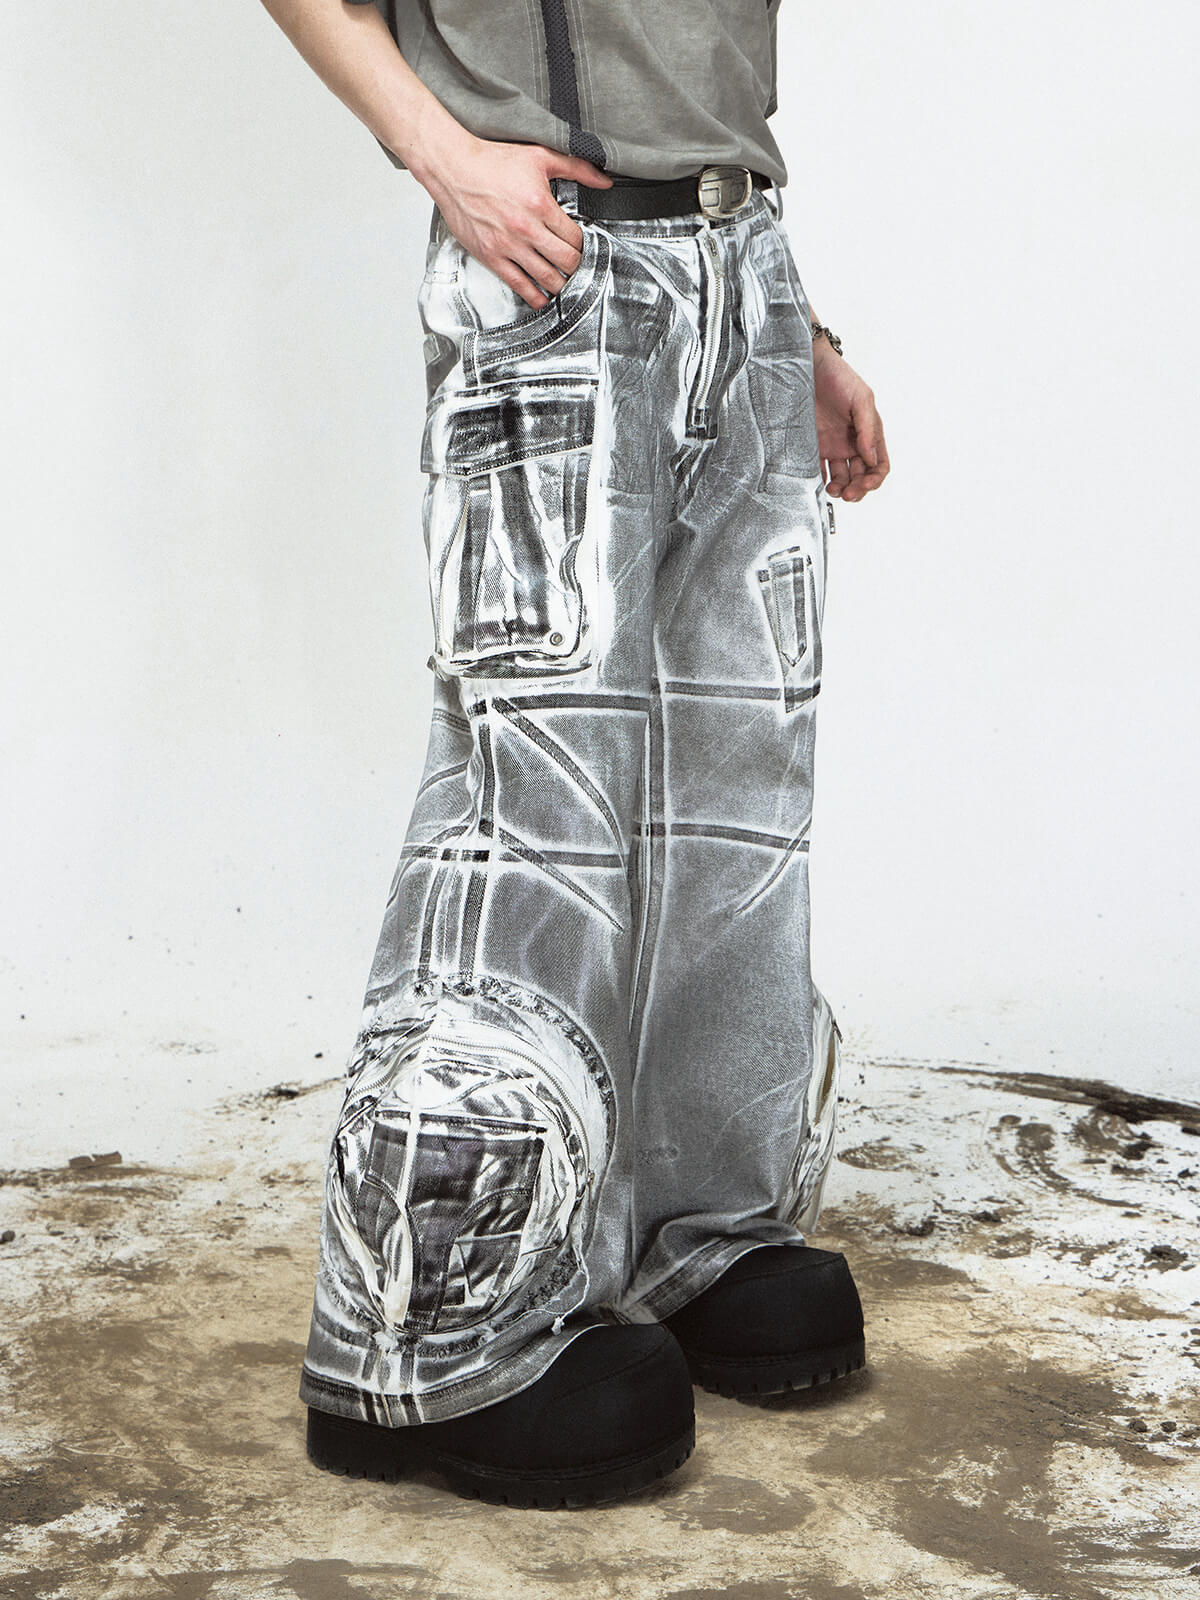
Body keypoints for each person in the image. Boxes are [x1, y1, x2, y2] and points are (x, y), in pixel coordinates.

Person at [256, 0, 890, 1509]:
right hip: (557, 266)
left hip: (740, 264)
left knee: (733, 789)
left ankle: (689, 1238)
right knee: (531, 793)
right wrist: (442, 156)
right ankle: (423, 1343)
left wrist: (793, 321)